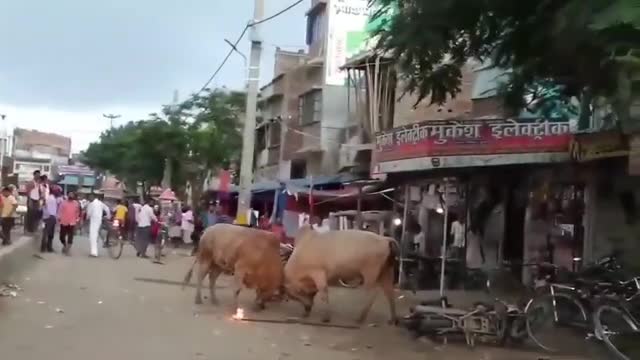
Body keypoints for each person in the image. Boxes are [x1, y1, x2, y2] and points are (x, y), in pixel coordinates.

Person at [41, 187, 61, 253]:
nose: (59, 193)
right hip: (50, 217)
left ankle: (47, 247)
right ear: (55, 191)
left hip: (49, 217)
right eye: (58, 191)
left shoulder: (51, 198)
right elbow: (44, 207)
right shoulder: (51, 198)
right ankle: (46, 247)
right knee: (48, 233)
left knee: (48, 233)